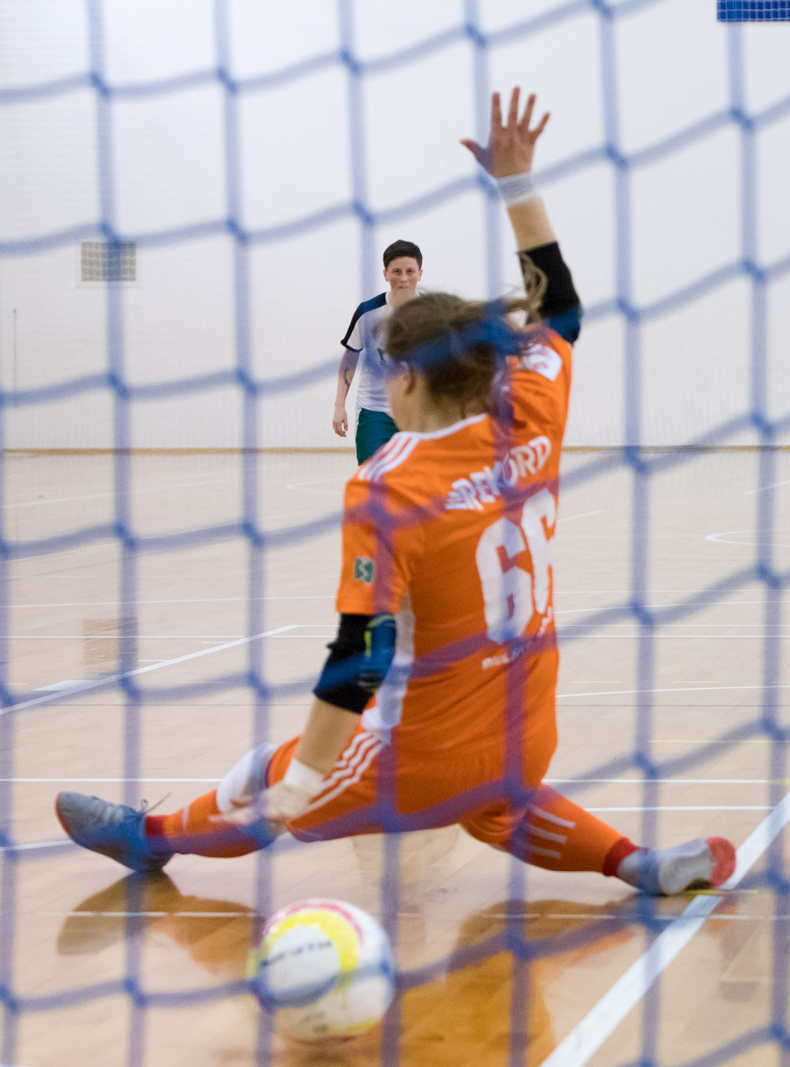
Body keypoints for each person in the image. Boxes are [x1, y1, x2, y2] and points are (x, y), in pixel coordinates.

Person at [55, 86, 734, 898]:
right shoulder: (534, 412)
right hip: (525, 733)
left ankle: (149, 838)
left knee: (269, 779)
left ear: (403, 377)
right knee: (498, 798)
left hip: (418, 757)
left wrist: (303, 779)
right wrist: (517, 183)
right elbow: (564, 310)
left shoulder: (388, 486)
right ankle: (640, 864)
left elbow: (360, 658)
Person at [334, 240, 423, 464]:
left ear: (420, 273)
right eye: (396, 272)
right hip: (374, 411)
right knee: (371, 483)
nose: (403, 278)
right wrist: (339, 406)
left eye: (410, 271)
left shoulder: (432, 314)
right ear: (385, 274)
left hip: (418, 412)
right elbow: (349, 362)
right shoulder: (368, 312)